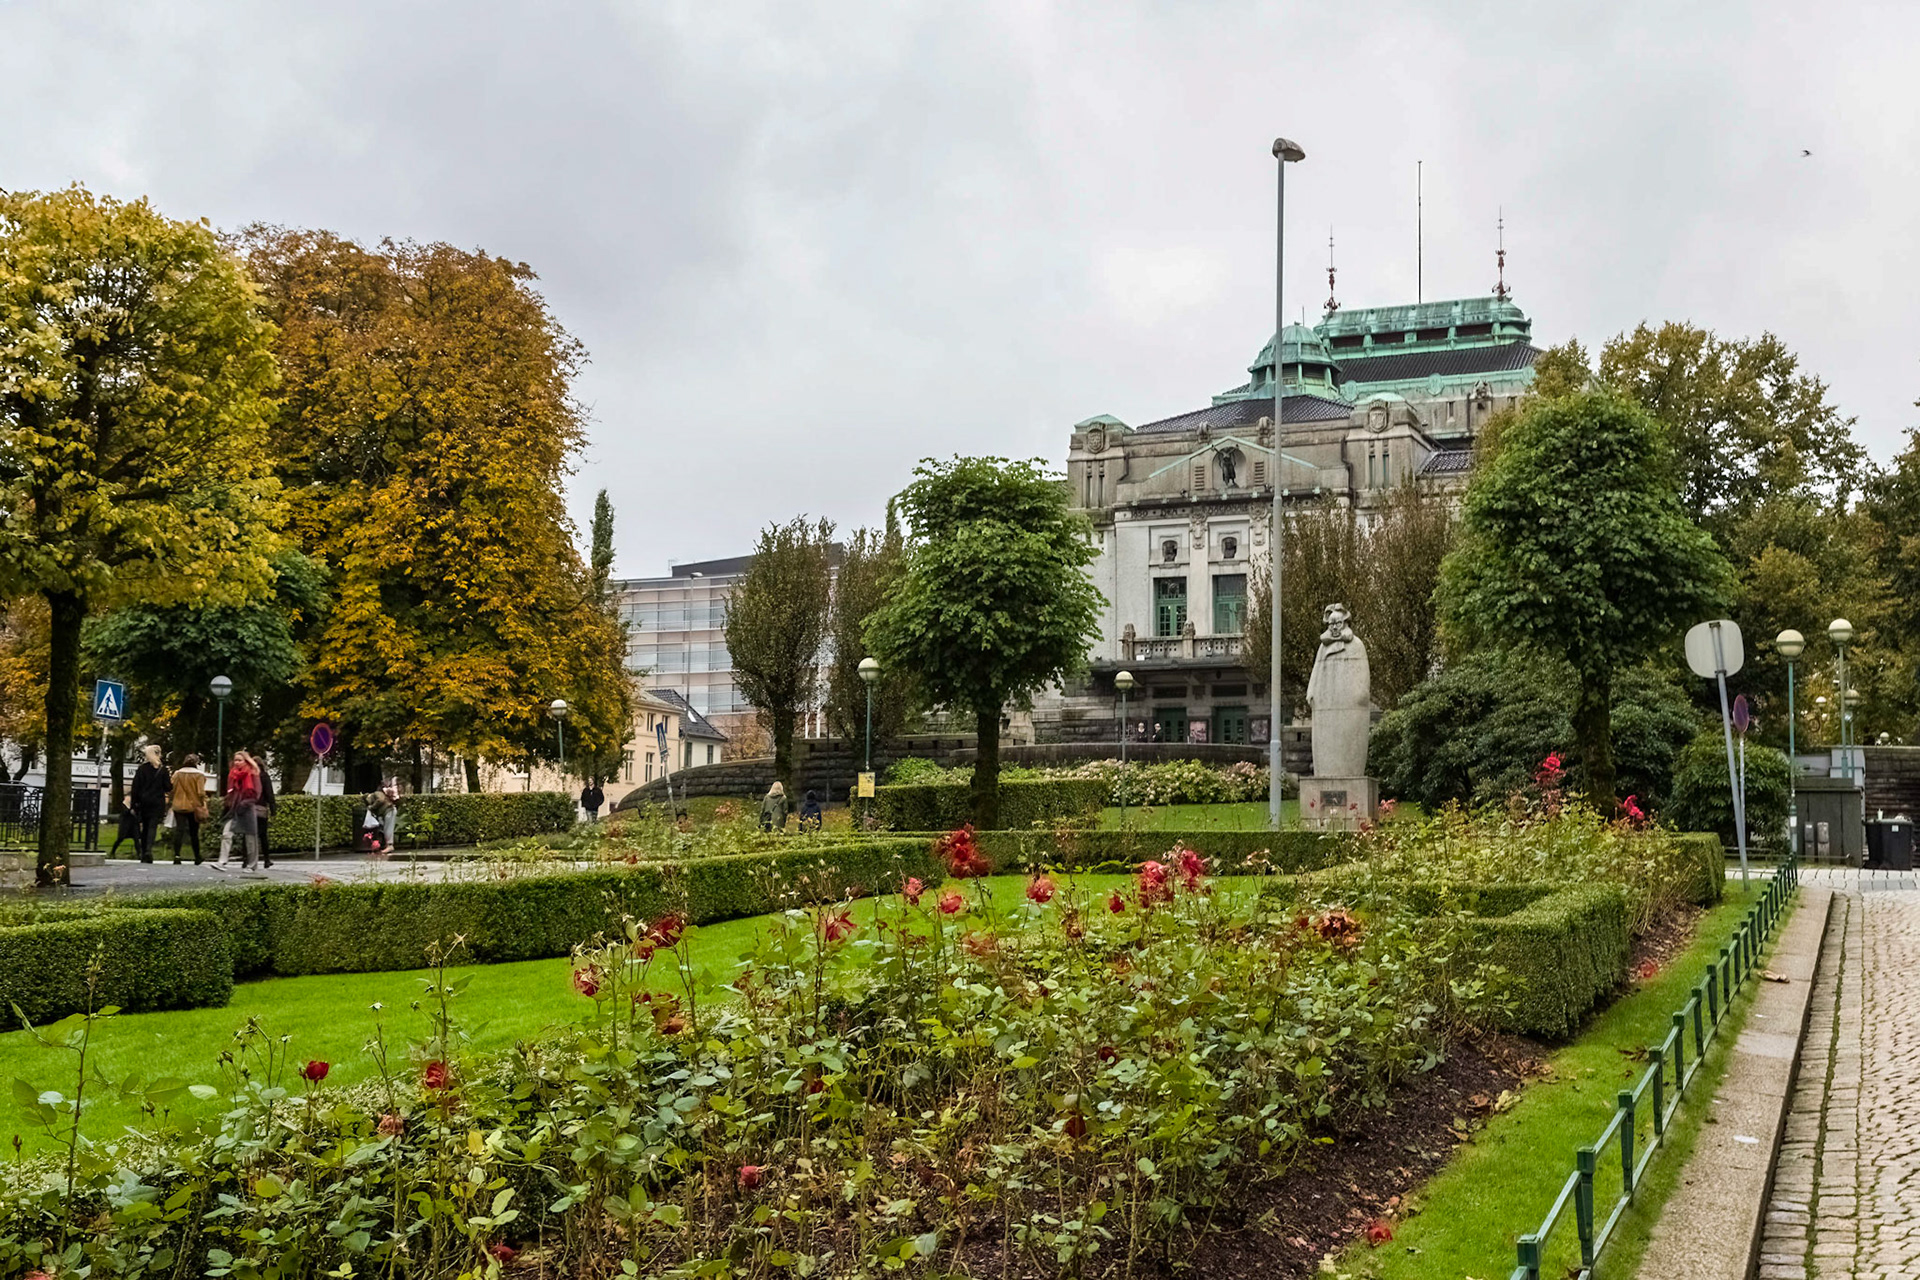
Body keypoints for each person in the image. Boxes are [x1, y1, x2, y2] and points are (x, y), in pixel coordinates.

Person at [216, 751, 262, 872]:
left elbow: (256, 794)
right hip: (234, 808)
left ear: (246, 761)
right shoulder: (232, 774)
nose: (236, 763)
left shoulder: (252, 774)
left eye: (239, 760)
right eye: (235, 760)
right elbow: (230, 792)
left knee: (250, 838)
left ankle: (252, 865)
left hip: (247, 809)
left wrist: (244, 803)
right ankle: (222, 861)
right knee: (226, 833)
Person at [128, 743, 171, 864]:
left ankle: (143, 852)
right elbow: (168, 787)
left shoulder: (142, 769)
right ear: (159, 754)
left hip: (143, 801)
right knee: (152, 826)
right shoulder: (163, 770)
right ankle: (148, 850)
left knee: (145, 827)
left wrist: (133, 804)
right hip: (157, 801)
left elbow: (135, 787)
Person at [169, 754, 209, 865]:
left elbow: (171, 788)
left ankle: (177, 855)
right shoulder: (199, 775)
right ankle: (197, 856)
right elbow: (200, 792)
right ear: (196, 763)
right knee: (194, 832)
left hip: (178, 805)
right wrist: (203, 804)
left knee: (179, 831)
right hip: (193, 807)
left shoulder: (177, 773)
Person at [253, 751, 277, 869]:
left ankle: (246, 859)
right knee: (263, 836)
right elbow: (269, 793)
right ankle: (266, 859)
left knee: (248, 835)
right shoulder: (264, 776)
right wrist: (273, 809)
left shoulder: (249, 776)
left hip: (249, 808)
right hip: (261, 808)